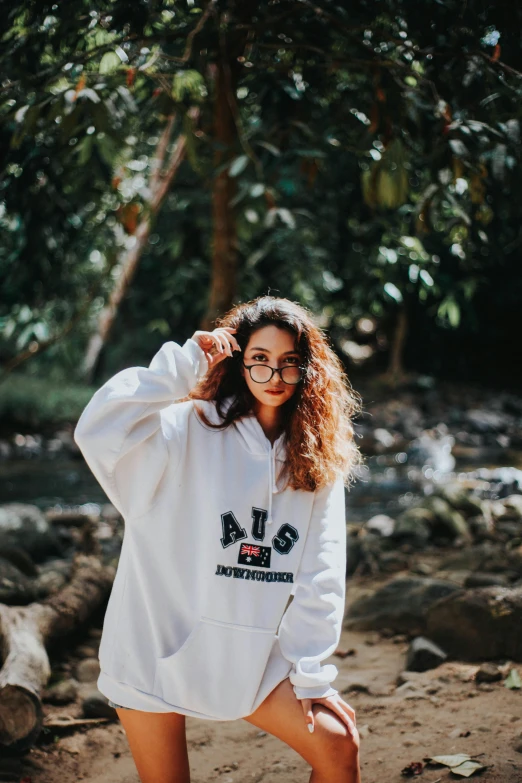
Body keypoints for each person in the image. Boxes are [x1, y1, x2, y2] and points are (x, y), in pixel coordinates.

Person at [74, 295, 363, 783]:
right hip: (155, 649)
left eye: (290, 364)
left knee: (339, 745)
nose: (275, 376)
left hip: (246, 655)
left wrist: (310, 672)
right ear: (237, 360)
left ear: (308, 372)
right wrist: (184, 365)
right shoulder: (185, 429)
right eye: (260, 360)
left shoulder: (317, 456)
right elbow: (98, 429)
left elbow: (322, 572)